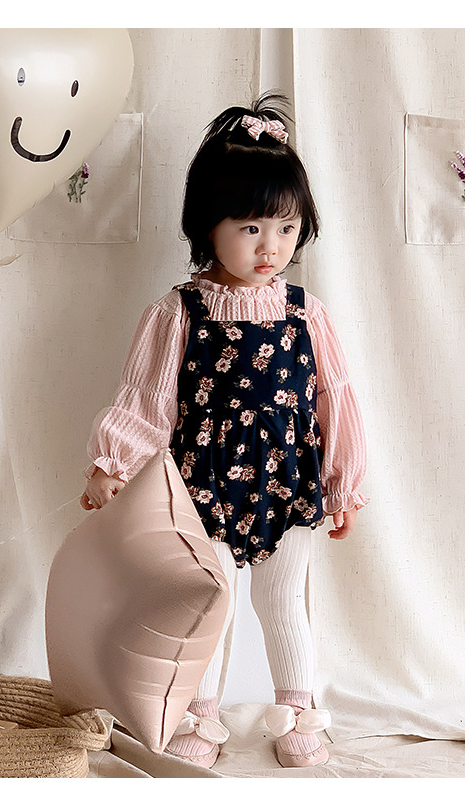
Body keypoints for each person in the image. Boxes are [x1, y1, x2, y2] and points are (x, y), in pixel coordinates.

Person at [80, 93, 368, 769]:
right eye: (250, 227)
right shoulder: (178, 313)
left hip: (288, 485)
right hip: (201, 484)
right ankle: (201, 717)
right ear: (207, 226)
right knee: (207, 599)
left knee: (283, 598)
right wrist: (112, 464)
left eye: (287, 228)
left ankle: (297, 711)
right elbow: (147, 399)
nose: (271, 247)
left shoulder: (306, 313)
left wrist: (344, 484)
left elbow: (335, 399)